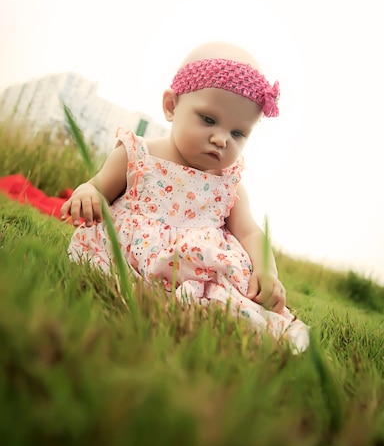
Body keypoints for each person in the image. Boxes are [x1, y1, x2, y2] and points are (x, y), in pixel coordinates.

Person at [61, 41, 309, 352]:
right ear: (171, 106)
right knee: (118, 290)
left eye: (238, 133)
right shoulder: (139, 155)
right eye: (208, 119)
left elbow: (249, 232)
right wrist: (87, 194)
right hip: (135, 257)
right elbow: (97, 187)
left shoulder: (228, 184)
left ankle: (206, 321)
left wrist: (266, 270)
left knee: (229, 314)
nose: (220, 139)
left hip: (199, 269)